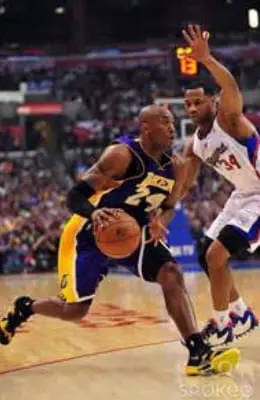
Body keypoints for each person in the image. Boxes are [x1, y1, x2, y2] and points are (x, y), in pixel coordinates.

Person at [0, 105, 239, 375]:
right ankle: (25, 307)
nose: (172, 128)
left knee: (171, 273)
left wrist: (161, 220)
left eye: (173, 122)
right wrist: (94, 213)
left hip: (135, 230)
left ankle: (197, 352)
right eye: (165, 122)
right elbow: (75, 196)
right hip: (89, 232)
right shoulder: (121, 156)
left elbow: (169, 207)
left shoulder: (176, 168)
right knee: (74, 310)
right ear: (146, 128)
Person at [182, 24, 259, 347]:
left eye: (198, 102)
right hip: (242, 195)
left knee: (215, 256)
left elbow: (230, 86)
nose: (192, 108)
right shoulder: (195, 144)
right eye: (188, 105)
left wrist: (207, 59)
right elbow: (184, 184)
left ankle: (222, 324)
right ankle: (241, 314)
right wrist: (160, 212)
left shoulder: (228, 119)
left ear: (212, 102)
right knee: (206, 258)